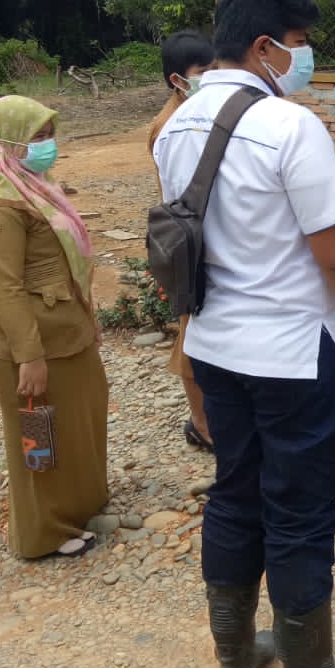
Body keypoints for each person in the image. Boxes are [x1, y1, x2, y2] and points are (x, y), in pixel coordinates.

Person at [155, 0, 335, 668]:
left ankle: (236, 658)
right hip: (298, 356)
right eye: (299, 44)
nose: (304, 59)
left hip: (216, 349)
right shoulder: (289, 127)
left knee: (235, 495)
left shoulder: (177, 124)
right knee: (300, 514)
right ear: (264, 45)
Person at [0, 95, 109, 560]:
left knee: (76, 423)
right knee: (38, 437)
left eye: (49, 135)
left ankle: (77, 506)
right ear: (6, 141)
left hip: (66, 330)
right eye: (35, 137)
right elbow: (5, 288)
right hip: (31, 343)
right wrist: (28, 356)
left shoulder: (34, 186)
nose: (46, 145)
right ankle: (42, 532)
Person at [148, 29, 217, 452]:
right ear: (177, 79)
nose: (211, 77)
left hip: (203, 235)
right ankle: (202, 424)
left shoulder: (199, 110)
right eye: (203, 71)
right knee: (192, 336)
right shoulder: (168, 125)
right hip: (186, 241)